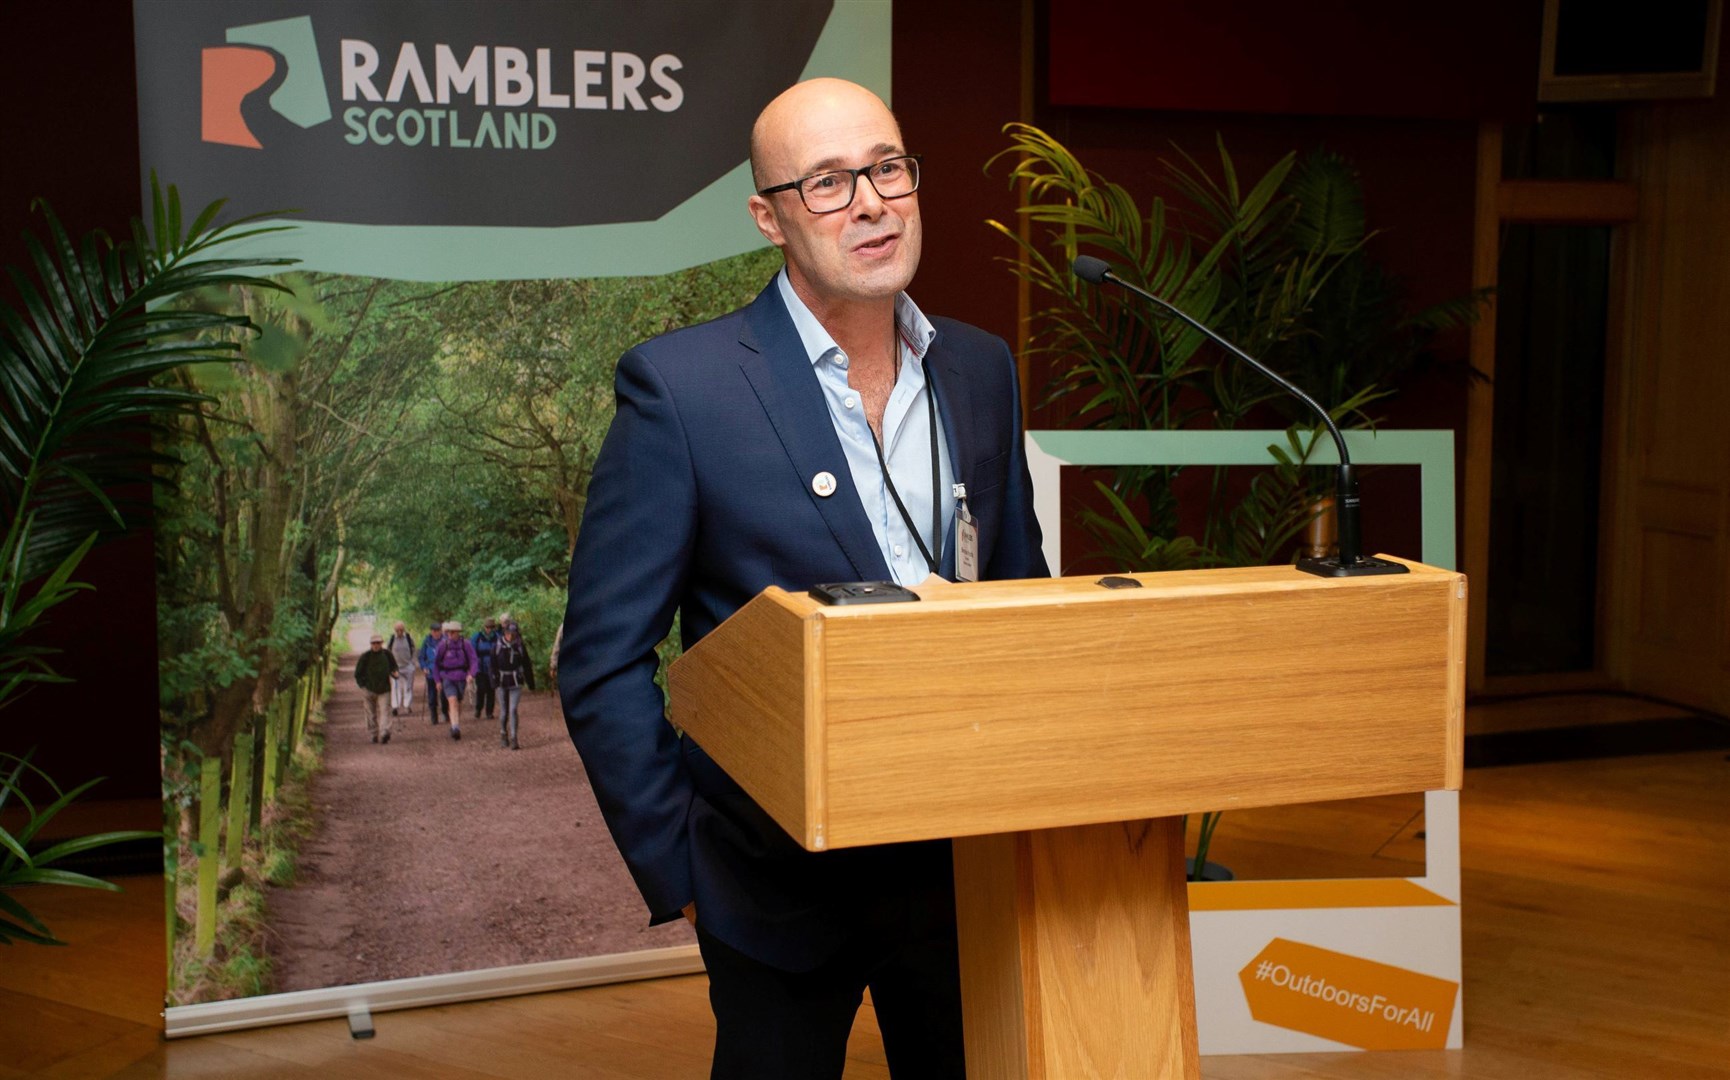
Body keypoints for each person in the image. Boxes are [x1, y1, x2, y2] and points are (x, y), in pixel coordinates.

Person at [559, 78, 1046, 1079]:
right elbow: (603, 658)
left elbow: (1019, 604)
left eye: (886, 168)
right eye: (826, 183)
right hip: (771, 884)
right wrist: (679, 863)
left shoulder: (980, 370)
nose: (870, 202)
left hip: (961, 873)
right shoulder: (682, 390)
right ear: (767, 216)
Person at [492, 621, 536, 750]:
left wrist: (531, 683)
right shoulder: (497, 646)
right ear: (504, 633)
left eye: (513, 633)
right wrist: (494, 681)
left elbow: (527, 665)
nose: (511, 636)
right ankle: (503, 733)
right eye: (508, 633)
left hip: (516, 681)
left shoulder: (520, 646)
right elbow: (492, 665)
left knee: (513, 709)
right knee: (504, 711)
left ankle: (514, 737)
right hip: (501, 681)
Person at [434, 619, 477, 740]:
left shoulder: (466, 644)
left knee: (458, 703)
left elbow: (473, 660)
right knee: (452, 701)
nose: (450, 634)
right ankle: (455, 727)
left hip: (462, 677)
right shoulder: (443, 645)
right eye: (448, 632)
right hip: (447, 677)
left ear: (458, 632)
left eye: (452, 632)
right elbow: (436, 664)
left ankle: (454, 722)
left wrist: (471, 674)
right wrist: (437, 681)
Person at [353, 632, 398, 745]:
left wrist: (395, 673)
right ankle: (373, 733)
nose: (376, 645)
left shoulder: (387, 654)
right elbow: (358, 673)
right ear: (371, 644)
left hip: (384, 688)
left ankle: (384, 733)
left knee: (385, 711)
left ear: (382, 643)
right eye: (374, 643)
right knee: (370, 713)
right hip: (368, 689)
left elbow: (394, 667)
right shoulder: (365, 656)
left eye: (378, 643)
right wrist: (362, 686)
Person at [470, 616, 502, 724]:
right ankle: (478, 709)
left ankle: (489, 712)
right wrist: (473, 667)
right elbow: (471, 652)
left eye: (491, 627)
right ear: (484, 627)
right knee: (481, 689)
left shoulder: (498, 637)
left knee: (491, 690)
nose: (489, 629)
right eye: (487, 627)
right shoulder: (477, 637)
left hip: (493, 668)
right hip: (480, 668)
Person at [417, 621, 449, 725]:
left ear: (441, 630)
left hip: (443, 671)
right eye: (434, 631)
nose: (436, 633)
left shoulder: (445, 640)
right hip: (430, 671)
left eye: (438, 630)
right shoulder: (426, 642)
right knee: (432, 695)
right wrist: (424, 667)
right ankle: (434, 716)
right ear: (431, 631)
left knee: (444, 694)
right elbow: (421, 657)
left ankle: (445, 712)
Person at [386, 620, 417, 716]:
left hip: (408, 666)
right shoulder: (391, 639)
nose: (399, 631)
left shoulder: (408, 638)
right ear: (394, 629)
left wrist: (413, 662)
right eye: (397, 629)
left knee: (408, 687)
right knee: (395, 687)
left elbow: (413, 649)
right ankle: (395, 707)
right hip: (396, 667)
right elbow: (387, 652)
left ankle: (407, 705)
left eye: (401, 629)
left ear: (404, 629)